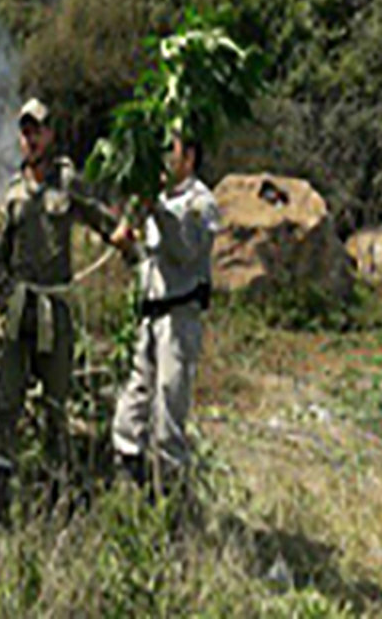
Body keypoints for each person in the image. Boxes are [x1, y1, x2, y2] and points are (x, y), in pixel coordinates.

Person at [0, 98, 130, 507]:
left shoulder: (67, 183)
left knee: (56, 405)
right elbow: (2, 252)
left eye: (37, 130)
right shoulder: (14, 193)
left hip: (55, 310)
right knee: (9, 401)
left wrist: (125, 240)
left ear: (50, 135)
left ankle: (59, 493)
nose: (30, 138)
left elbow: (100, 219)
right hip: (21, 308)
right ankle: (3, 491)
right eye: (25, 131)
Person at [111, 131, 221, 496]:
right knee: (132, 410)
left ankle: (170, 508)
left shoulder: (200, 204)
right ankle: (129, 494)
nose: (163, 159)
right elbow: (150, 263)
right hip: (150, 319)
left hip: (179, 320)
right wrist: (129, 247)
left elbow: (186, 252)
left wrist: (155, 209)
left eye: (170, 150)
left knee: (168, 419)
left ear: (189, 157)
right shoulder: (157, 201)